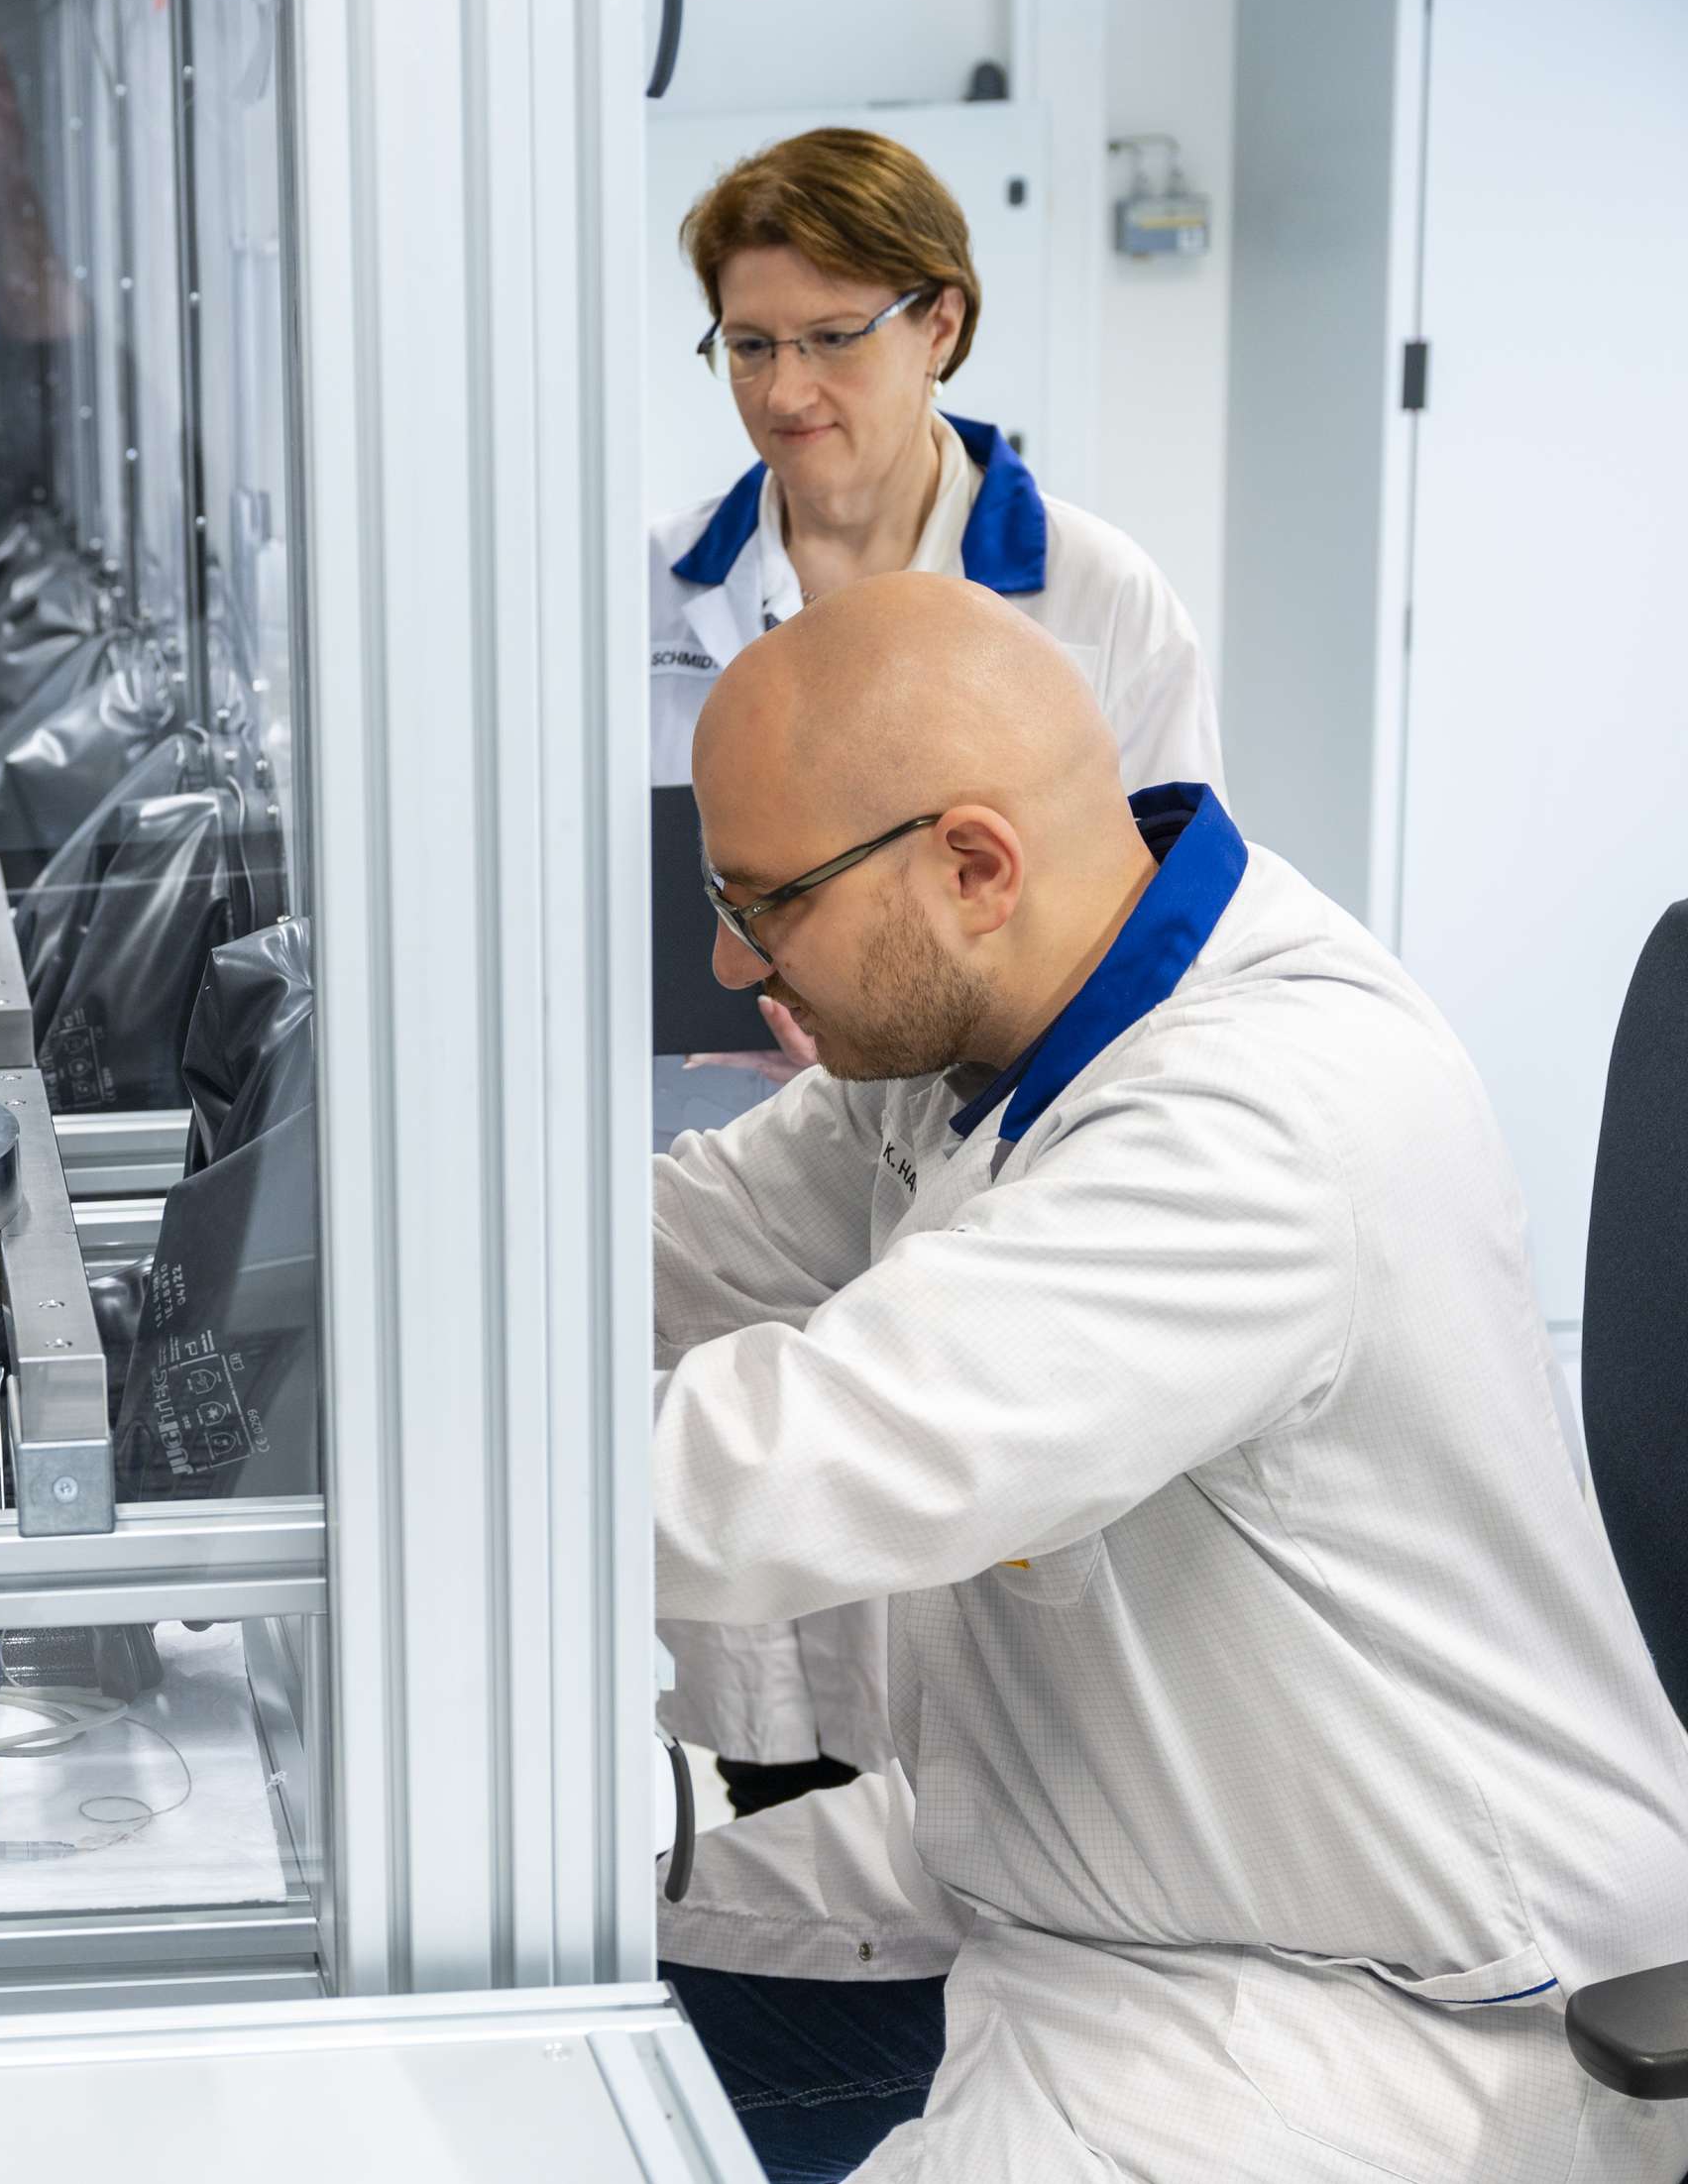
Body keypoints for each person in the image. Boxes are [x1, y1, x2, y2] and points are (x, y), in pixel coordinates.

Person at [650, 573, 1688, 2180]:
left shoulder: (1256, 1124)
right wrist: (371, 1298)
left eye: (764, 902)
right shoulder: (990, 1019)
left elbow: (785, 1468)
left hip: (1361, 1998)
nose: (730, 963)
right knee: (540, 1957)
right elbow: (689, 1240)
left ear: (974, 864)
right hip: (1088, 1858)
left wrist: (392, 1472)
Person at [649, 126, 1224, 1816]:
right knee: (762, 1655)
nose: (786, 387)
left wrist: (901, 997)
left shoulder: (1096, 601)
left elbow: (1135, 929)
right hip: (749, 1132)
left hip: (991, 1155)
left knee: (936, 1572)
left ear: (941, 326)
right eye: (750, 344)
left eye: (833, 336)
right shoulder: (646, 595)